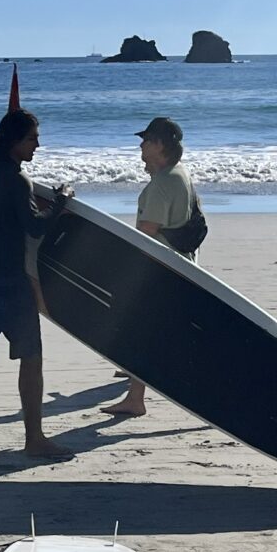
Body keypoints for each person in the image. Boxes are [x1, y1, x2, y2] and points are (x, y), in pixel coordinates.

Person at [0, 107, 68, 459]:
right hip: (9, 283)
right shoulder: (17, 179)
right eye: (32, 138)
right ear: (14, 141)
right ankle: (34, 439)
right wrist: (61, 202)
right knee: (31, 358)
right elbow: (35, 226)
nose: (37, 145)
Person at [105, 114, 206, 420]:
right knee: (156, 332)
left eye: (146, 141)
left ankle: (136, 398)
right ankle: (135, 384)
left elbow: (147, 230)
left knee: (147, 332)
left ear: (160, 145)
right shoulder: (179, 174)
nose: (141, 147)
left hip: (159, 269)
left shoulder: (163, 183)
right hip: (179, 265)